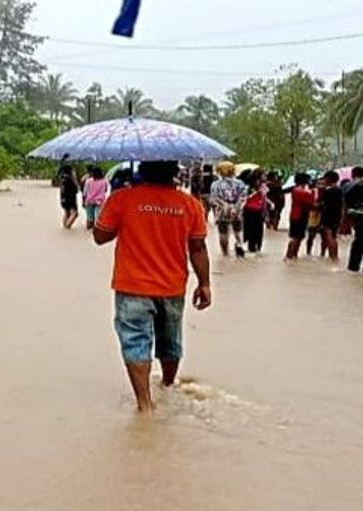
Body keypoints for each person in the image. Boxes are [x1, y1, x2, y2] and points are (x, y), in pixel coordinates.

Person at [93, 161, 213, 412]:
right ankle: (168, 386)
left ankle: (145, 404)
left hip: (132, 285)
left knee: (135, 341)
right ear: (175, 174)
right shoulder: (190, 204)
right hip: (172, 285)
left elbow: (100, 236)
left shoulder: (122, 198)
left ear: (142, 172)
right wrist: (205, 284)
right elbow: (198, 247)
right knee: (171, 341)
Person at [210, 161, 247, 259]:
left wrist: (224, 205)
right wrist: (235, 207)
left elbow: (214, 199)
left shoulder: (215, 184)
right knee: (238, 232)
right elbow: (243, 198)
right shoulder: (240, 183)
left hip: (222, 212)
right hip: (237, 212)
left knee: (223, 233)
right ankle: (239, 247)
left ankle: (225, 254)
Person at [285, 172, 316, 261]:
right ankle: (290, 255)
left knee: (298, 237)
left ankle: (293, 255)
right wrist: (313, 191)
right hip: (299, 216)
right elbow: (311, 202)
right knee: (296, 237)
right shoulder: (300, 191)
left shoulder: (296, 190)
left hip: (297, 215)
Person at [317, 170, 344, 262]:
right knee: (333, 237)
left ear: (329, 179)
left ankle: (332, 257)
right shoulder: (339, 190)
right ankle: (334, 257)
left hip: (328, 216)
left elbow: (322, 204)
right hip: (336, 217)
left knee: (329, 237)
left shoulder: (328, 191)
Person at [242, 170, 270, 254]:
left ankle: (257, 248)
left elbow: (264, 199)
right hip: (250, 211)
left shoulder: (264, 187)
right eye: (263, 175)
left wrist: (266, 211)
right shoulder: (248, 187)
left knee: (258, 231)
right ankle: (252, 248)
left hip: (258, 211)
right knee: (251, 231)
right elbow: (244, 198)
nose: (265, 177)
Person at [83, 166, 111, 230]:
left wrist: (83, 201)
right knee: (98, 216)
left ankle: (89, 228)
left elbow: (85, 192)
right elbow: (107, 190)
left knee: (90, 217)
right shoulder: (104, 181)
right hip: (100, 201)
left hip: (89, 201)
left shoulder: (88, 181)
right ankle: (97, 229)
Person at [58, 163, 81, 229]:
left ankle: (65, 227)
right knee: (75, 214)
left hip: (63, 199)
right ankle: (67, 226)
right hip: (71, 199)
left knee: (67, 212)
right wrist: (76, 181)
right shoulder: (70, 181)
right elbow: (76, 190)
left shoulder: (62, 179)